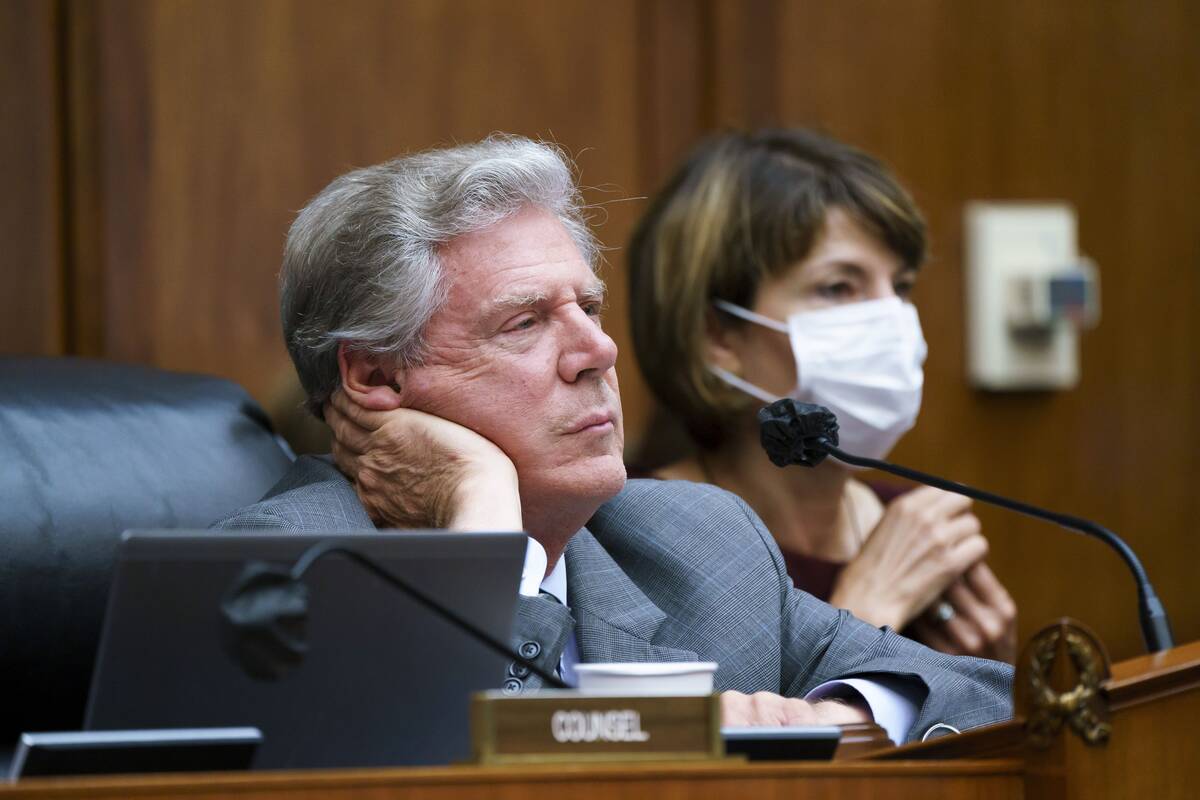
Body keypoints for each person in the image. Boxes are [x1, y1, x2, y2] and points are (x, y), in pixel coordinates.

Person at [215, 135, 1012, 743]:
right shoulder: (283, 577)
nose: (597, 351)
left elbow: (985, 696)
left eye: (590, 309)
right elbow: (458, 767)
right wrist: (484, 518)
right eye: (525, 323)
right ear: (376, 377)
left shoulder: (698, 541)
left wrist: (828, 722)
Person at [627, 129, 1017, 663]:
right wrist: (866, 609)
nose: (892, 320)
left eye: (901, 287)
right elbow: (731, 716)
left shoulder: (912, 530)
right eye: (838, 287)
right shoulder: (641, 536)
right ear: (718, 336)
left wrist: (990, 675)